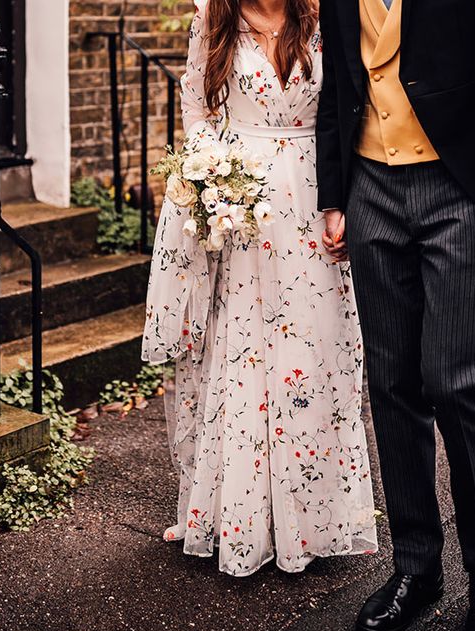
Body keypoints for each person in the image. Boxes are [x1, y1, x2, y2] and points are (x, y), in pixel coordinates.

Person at [317, 0, 475, 631]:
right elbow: (340, 79)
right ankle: (417, 570)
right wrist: (334, 194)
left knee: (454, 382)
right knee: (391, 385)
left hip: (460, 188)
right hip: (370, 190)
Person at [142, 0, 378, 577]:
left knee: (313, 352)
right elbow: (195, 109)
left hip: (312, 205)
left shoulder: (324, 16)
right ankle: (233, 515)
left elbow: (352, 109)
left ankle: (315, 518)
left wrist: (343, 200)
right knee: (239, 354)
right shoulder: (214, 19)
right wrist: (213, 177)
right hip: (239, 212)